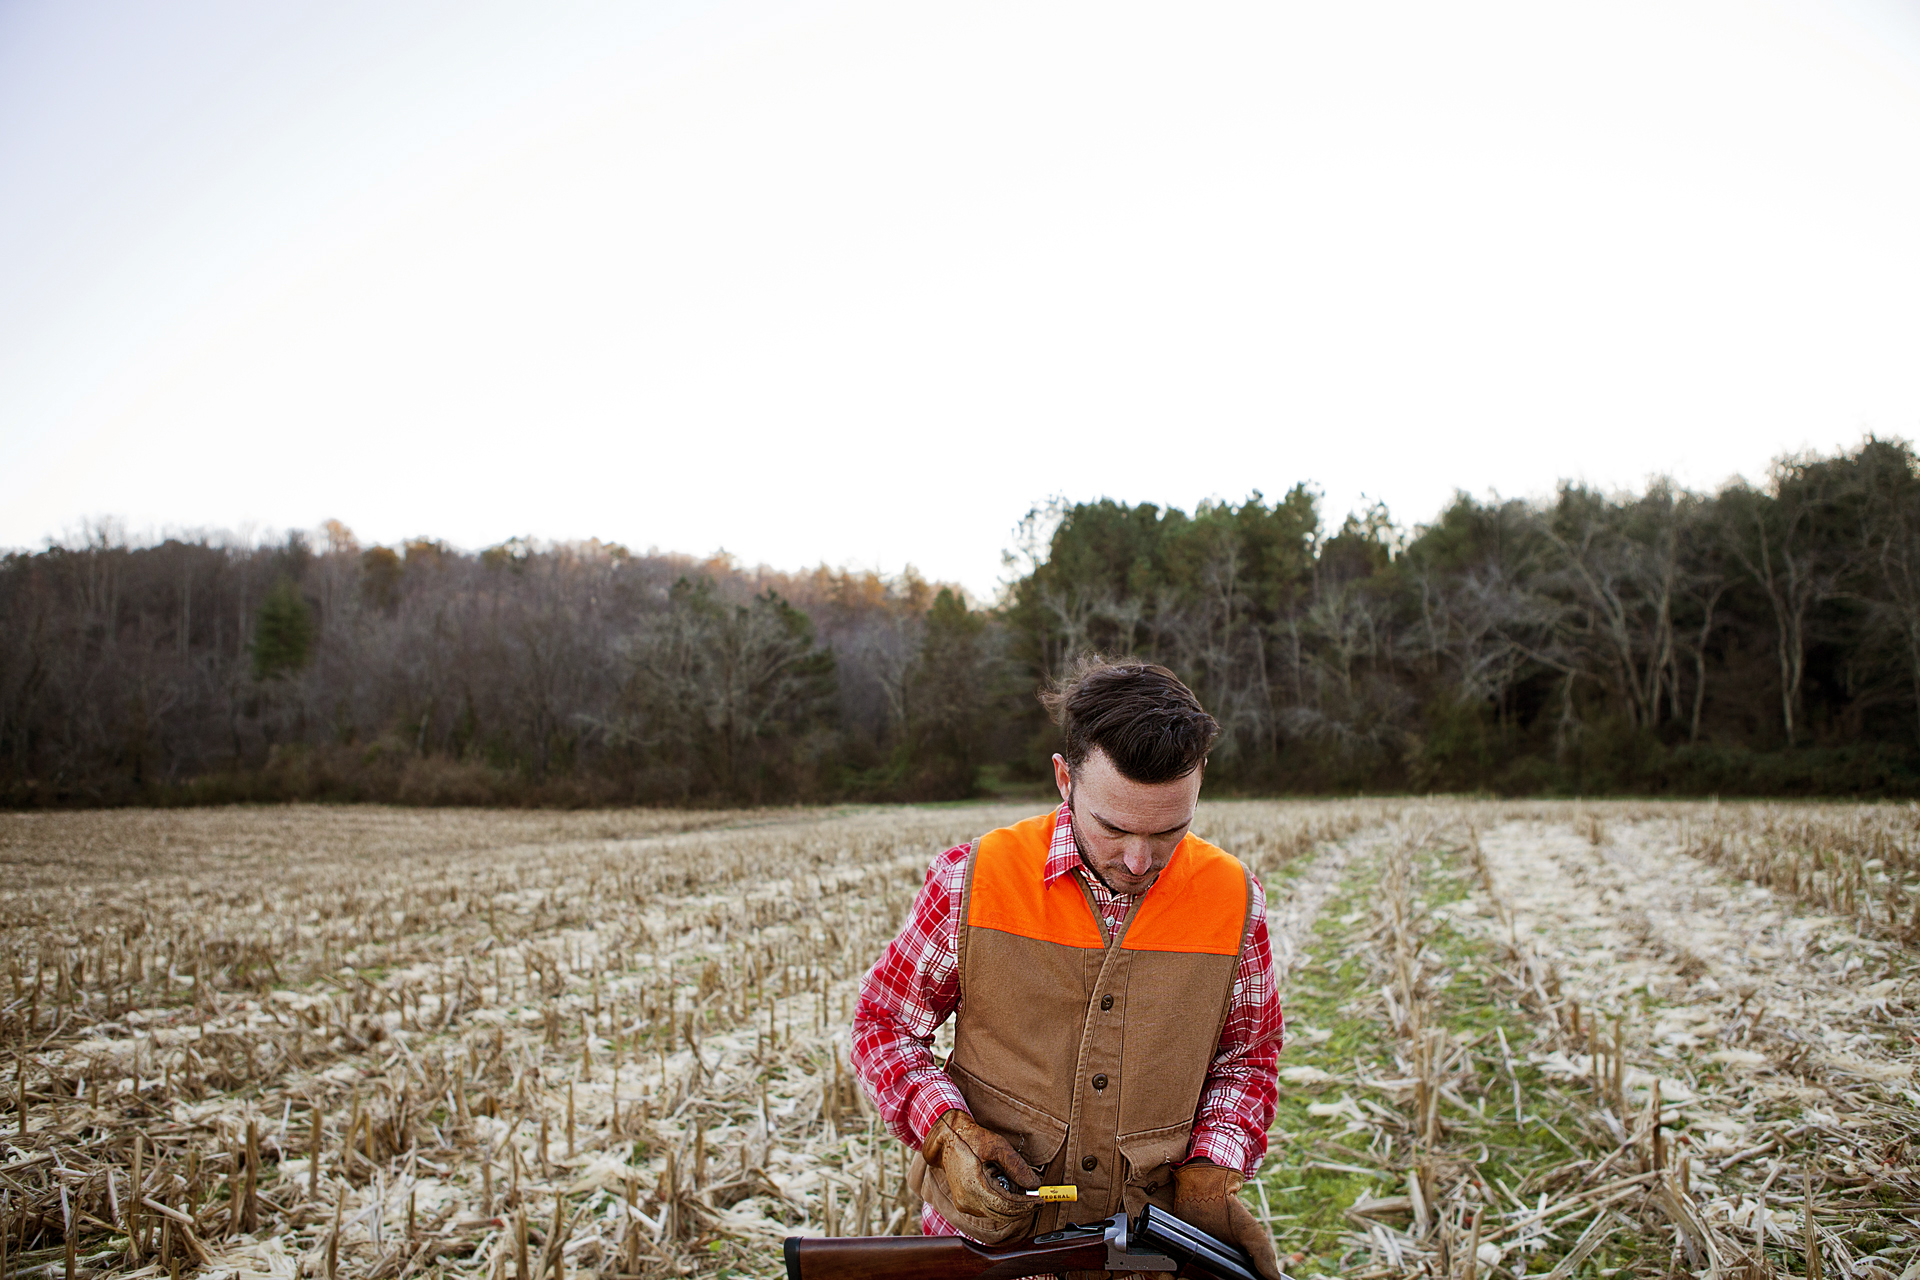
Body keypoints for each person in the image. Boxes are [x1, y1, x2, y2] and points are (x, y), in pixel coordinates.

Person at [850, 657, 1284, 1280]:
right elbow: (884, 1024)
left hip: (1153, 1252)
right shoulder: (972, 880)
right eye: (1113, 828)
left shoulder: (1236, 900)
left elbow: (1248, 1059)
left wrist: (1212, 1171)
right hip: (991, 1248)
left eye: (1169, 831)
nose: (1139, 861)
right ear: (1064, 779)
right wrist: (946, 1132)